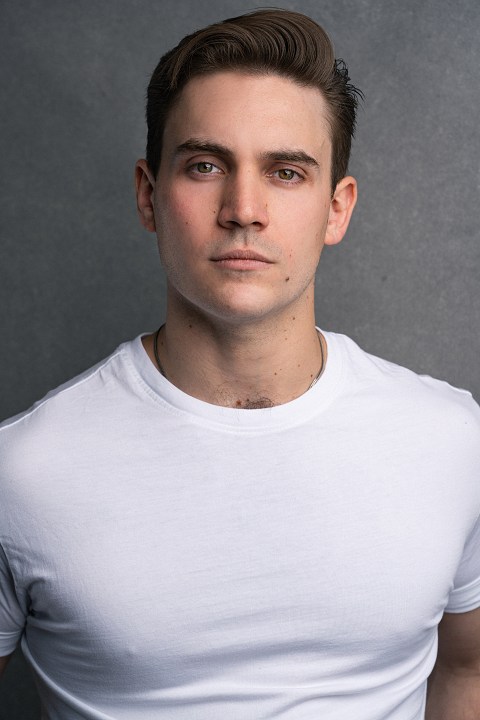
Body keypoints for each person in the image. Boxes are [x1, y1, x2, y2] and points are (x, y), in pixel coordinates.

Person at [0, 8, 479, 719]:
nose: (244, 209)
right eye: (205, 166)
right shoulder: (22, 473)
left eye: (286, 172)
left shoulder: (453, 440)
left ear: (337, 208)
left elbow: (468, 670)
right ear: (148, 195)